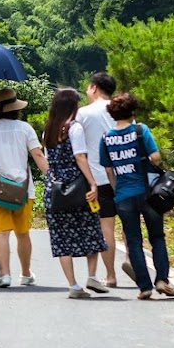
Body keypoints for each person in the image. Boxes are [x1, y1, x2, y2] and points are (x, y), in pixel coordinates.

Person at [0, 87, 50, 288]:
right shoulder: (25, 128)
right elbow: (38, 156)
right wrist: (52, 177)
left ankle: (4, 274)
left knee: (1, 233)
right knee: (23, 233)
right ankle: (25, 274)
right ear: (16, 108)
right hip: (23, 190)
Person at [99, 92, 174, 300]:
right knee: (157, 237)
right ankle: (161, 280)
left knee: (134, 241)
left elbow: (108, 170)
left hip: (123, 195)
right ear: (132, 111)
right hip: (148, 193)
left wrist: (117, 190)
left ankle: (144, 287)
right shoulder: (141, 131)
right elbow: (156, 157)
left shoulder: (106, 138)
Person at [42, 88, 107, 299]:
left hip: (55, 189)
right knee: (91, 229)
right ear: (73, 106)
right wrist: (93, 183)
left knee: (61, 238)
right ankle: (92, 276)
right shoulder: (74, 128)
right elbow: (80, 158)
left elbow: (48, 160)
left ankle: (73, 285)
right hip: (77, 186)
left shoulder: (48, 130)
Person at [75, 71, 120, 293]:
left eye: (87, 88)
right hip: (124, 175)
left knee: (105, 227)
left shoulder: (83, 113)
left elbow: (76, 146)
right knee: (129, 224)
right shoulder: (121, 110)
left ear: (94, 88)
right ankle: (131, 261)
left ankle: (110, 275)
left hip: (97, 177)